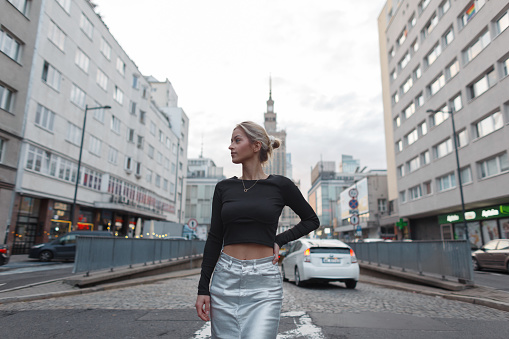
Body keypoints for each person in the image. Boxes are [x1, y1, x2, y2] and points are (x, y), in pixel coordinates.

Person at [195, 121, 320, 338]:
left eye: (237, 140)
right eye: (231, 141)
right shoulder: (223, 188)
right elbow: (215, 238)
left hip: (264, 283)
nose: (230, 146)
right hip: (225, 278)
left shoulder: (281, 185)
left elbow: (311, 220)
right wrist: (203, 289)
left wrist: (279, 240)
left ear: (256, 146)